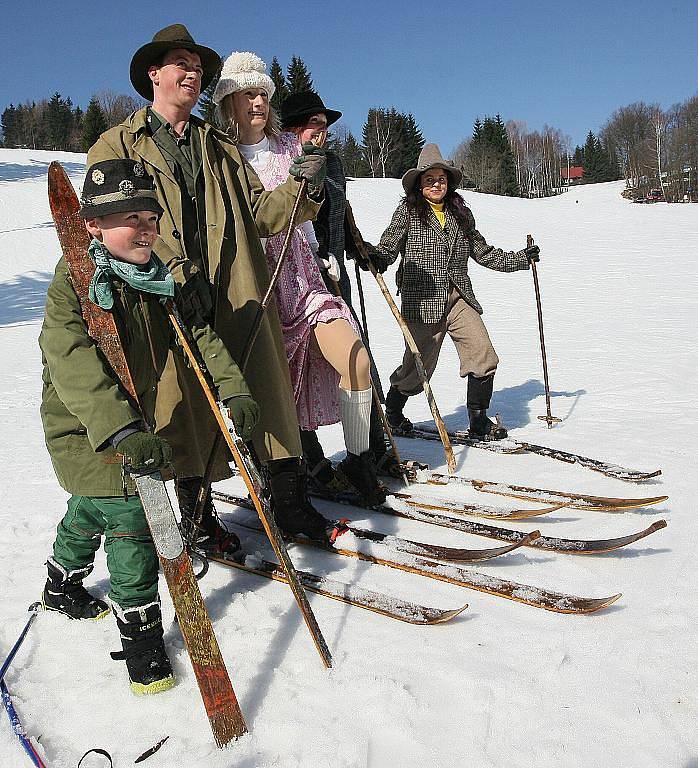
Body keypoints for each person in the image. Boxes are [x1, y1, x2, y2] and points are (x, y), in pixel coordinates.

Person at [87, 25, 332, 543]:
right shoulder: (115, 146)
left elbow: (265, 214)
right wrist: (171, 272)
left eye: (197, 65)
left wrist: (300, 185)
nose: (192, 72)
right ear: (154, 74)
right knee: (184, 407)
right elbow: (116, 226)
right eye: (180, 62)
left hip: (235, 288)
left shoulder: (217, 146)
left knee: (266, 388)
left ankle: (289, 503)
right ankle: (198, 520)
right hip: (161, 296)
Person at [40, 159, 258, 694]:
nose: (146, 228)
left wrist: (235, 386)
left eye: (151, 217)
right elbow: (68, 357)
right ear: (92, 225)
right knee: (132, 517)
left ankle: (59, 583)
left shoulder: (157, 280)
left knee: (92, 506)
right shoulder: (74, 282)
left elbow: (199, 335)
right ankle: (140, 641)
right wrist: (118, 430)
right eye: (129, 217)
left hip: (134, 421)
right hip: (84, 423)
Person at [213, 53, 385, 505]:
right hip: (257, 286)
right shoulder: (220, 158)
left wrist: (312, 191)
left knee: (356, 362)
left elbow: (311, 209)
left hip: (303, 276)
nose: (258, 103)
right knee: (276, 397)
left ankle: (359, 458)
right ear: (229, 100)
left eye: (264, 94)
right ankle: (282, 477)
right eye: (248, 94)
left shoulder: (290, 149)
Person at [363, 144, 540, 440]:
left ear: (449, 182)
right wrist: (372, 256)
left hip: (458, 298)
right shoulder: (408, 211)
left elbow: (485, 253)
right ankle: (392, 413)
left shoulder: (460, 215)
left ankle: (478, 420)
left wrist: (522, 258)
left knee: (483, 354)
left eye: (441, 179)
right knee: (417, 369)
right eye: (429, 179)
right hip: (422, 303)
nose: (435, 184)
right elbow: (388, 248)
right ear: (420, 183)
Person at [280, 91, 402, 479]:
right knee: (294, 372)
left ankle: (370, 451)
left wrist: (357, 246)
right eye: (315, 123)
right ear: (294, 129)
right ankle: (310, 458)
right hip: (294, 283)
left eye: (324, 123)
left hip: (333, 280)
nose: (324, 130)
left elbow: (338, 215)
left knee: (358, 362)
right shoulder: (281, 164)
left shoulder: (331, 164)